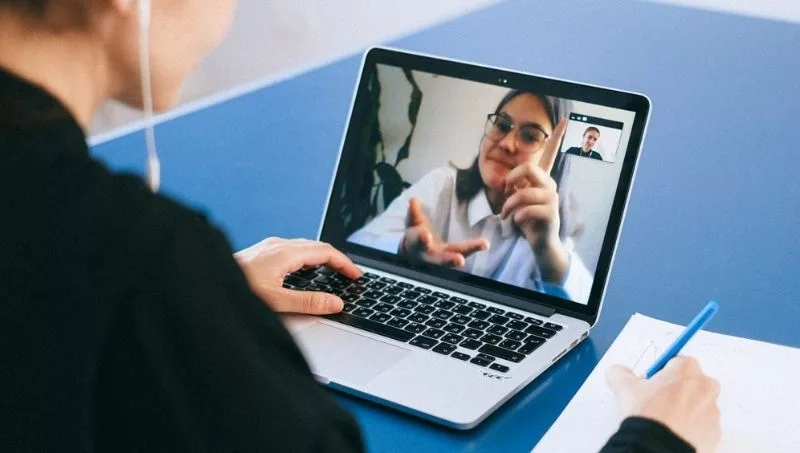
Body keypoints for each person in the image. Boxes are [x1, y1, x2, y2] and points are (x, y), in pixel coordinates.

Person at [0, 1, 720, 452]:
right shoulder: (148, 263)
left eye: (529, 133)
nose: (228, 17)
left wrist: (212, 291)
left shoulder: (556, 227)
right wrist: (655, 440)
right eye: (499, 123)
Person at [350, 90, 593, 303]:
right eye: (502, 125)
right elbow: (357, 244)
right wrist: (404, 247)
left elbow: (586, 310)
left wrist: (547, 250)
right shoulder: (442, 185)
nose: (507, 143)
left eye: (530, 136)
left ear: (556, 159)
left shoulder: (549, 230)